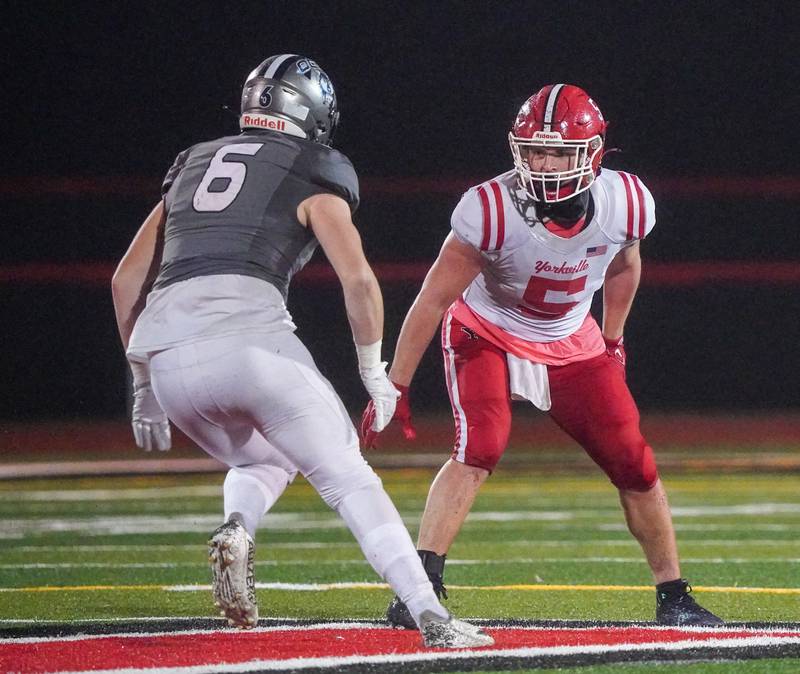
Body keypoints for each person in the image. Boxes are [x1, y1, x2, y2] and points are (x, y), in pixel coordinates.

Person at [111, 54, 492, 648]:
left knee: (260, 461)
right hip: (249, 345)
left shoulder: (191, 164)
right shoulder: (316, 166)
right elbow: (359, 279)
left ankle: (239, 524)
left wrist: (143, 386)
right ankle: (431, 615)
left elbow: (124, 281)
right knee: (349, 478)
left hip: (167, 362)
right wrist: (373, 371)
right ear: (312, 112)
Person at [362, 83, 724, 629]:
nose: (544, 163)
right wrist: (398, 381)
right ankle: (419, 590)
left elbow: (625, 265)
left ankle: (674, 594)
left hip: (570, 337)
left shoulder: (625, 201)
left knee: (634, 460)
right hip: (488, 331)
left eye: (558, 151)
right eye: (534, 150)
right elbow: (434, 297)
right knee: (479, 445)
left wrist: (613, 339)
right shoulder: (489, 208)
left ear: (594, 154)